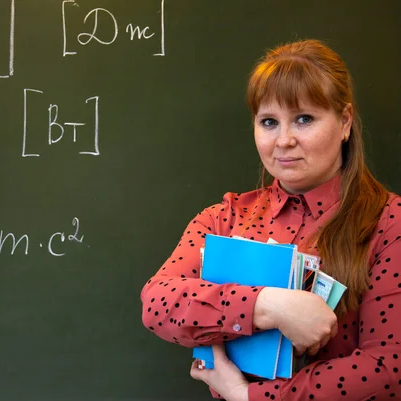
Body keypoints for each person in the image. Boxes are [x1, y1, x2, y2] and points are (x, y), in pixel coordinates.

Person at [140, 39, 401, 401]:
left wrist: (248, 397)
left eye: (304, 119)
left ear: (344, 122)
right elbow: (157, 303)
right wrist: (269, 306)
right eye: (269, 122)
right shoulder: (224, 218)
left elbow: (389, 370)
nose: (284, 140)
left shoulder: (390, 223)